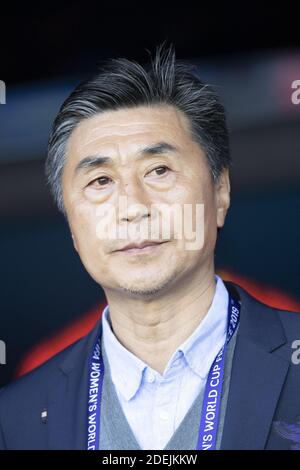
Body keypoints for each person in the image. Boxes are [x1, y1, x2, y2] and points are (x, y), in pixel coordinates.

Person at [0, 42, 299, 450]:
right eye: (100, 181)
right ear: (70, 220)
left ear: (221, 191)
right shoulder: (17, 417)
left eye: (159, 170)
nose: (133, 208)